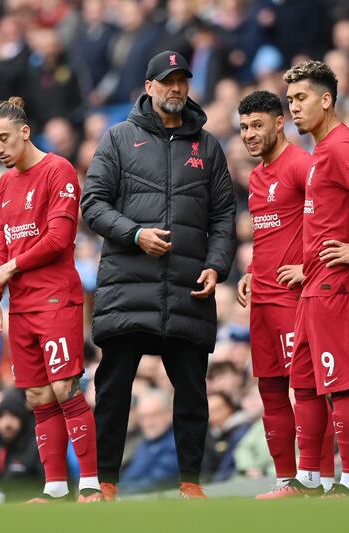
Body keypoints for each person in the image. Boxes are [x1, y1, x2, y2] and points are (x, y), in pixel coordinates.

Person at [81, 49, 236, 500]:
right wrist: (135, 235)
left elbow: (224, 216)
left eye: (182, 80)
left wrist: (216, 265)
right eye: (167, 81)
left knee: (192, 392)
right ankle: (104, 484)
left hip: (188, 287)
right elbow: (92, 205)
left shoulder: (207, 146)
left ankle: (191, 484)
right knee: (113, 391)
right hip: (129, 287)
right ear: (148, 88)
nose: (176, 88)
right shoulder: (117, 138)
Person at [0, 97, 102, 503]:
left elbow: (58, 239)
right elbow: (1, 242)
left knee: (65, 386)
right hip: (21, 305)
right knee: (36, 395)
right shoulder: (4, 183)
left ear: (24, 132)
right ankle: (53, 488)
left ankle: (89, 483)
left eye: (3, 138)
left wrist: (10, 269)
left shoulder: (58, 170)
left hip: (55, 298)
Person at [281, 60, 349, 496]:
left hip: (339, 287)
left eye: (301, 98)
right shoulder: (323, 150)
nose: (293, 108)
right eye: (289, 100)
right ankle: (309, 477)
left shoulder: (342, 145)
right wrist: (306, 268)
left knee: (340, 380)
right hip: (316, 283)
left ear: (326, 100)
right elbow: (330, 219)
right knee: (304, 381)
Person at [234, 90, 335, 497]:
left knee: (307, 388)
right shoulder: (257, 176)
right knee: (270, 388)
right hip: (262, 298)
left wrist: (310, 268)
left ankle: (319, 480)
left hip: (294, 299)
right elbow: (270, 236)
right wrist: (251, 270)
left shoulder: (302, 166)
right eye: (243, 128)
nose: (249, 134)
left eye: (257, 125)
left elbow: (332, 219)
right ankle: (285, 480)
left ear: (280, 123)